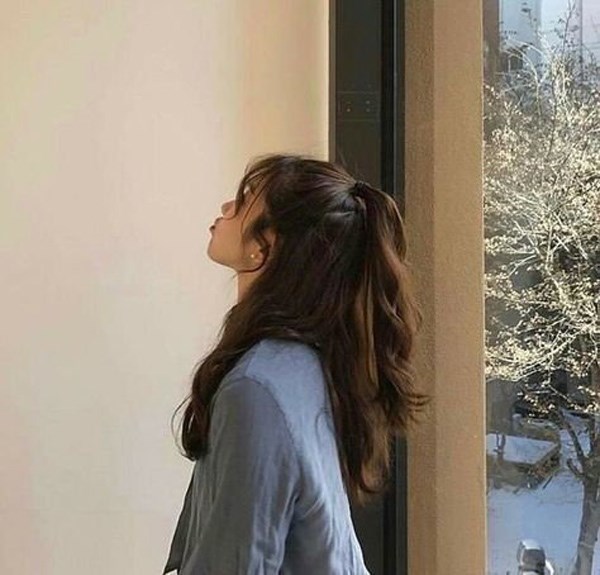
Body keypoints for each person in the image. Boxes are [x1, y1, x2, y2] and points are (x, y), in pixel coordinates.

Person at [162, 153, 428, 574]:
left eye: (244, 200)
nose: (226, 207)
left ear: (266, 246)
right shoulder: (298, 363)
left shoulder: (257, 388)